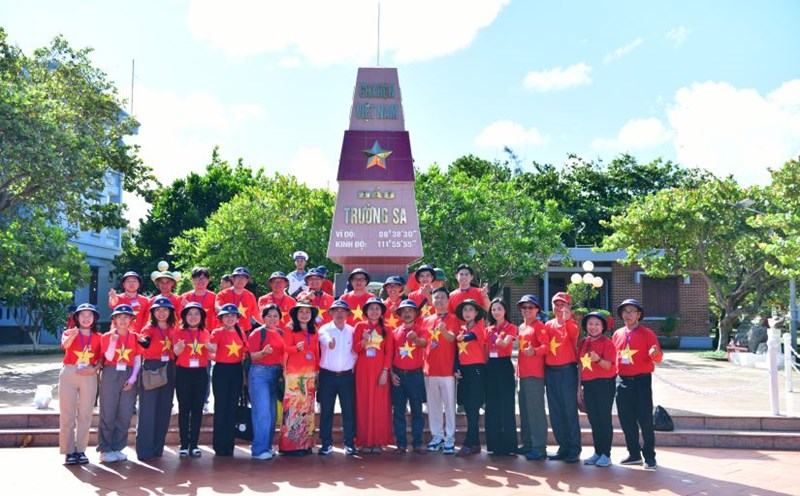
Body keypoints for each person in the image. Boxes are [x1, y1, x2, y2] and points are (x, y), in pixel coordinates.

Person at [613, 299, 663, 469]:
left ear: (638, 314)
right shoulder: (617, 334)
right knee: (626, 420)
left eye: (631, 311)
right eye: (625, 311)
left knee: (645, 420)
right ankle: (633, 453)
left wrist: (654, 353)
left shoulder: (647, 333)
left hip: (641, 381)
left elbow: (658, 357)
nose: (628, 314)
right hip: (622, 381)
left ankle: (649, 455)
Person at [98, 304, 143, 463]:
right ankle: (105, 449)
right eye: (119, 317)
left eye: (126, 317)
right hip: (111, 372)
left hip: (129, 373)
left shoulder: (135, 337)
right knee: (108, 411)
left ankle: (118, 447)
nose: (123, 320)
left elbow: (138, 360)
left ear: (131, 319)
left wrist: (132, 379)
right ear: (114, 319)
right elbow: (109, 357)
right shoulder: (107, 336)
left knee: (125, 413)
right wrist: (112, 342)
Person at [59, 303, 102, 465]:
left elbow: (101, 359)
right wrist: (72, 335)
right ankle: (69, 451)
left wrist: (94, 370)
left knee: (85, 414)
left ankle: (81, 450)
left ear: (94, 318)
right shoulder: (69, 332)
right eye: (82, 315)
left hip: (89, 375)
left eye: (89, 315)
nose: (86, 318)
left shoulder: (98, 337)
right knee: (67, 413)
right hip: (70, 372)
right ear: (76, 318)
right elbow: (65, 345)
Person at [136, 296, 178, 460]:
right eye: (158, 310)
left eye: (165, 310)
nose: (161, 313)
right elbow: (144, 341)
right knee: (148, 409)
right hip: (152, 368)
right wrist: (143, 341)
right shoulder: (149, 328)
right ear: (153, 312)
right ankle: (145, 450)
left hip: (169, 368)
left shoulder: (174, 328)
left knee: (164, 409)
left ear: (170, 312)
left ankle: (157, 448)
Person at [352, 297, 394, 454]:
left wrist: (385, 372)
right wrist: (363, 341)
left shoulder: (387, 329)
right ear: (366, 311)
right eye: (371, 308)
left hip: (379, 372)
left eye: (377, 308)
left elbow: (389, 352)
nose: (374, 311)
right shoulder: (359, 326)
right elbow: (355, 350)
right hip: (363, 371)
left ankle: (378, 440)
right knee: (363, 404)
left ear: (382, 311)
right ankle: (364, 441)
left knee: (380, 406)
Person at [544, 292, 582, 463]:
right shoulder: (548, 324)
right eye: (556, 304)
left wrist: (566, 321)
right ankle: (563, 446)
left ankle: (574, 448)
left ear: (569, 307)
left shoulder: (572, 324)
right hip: (550, 371)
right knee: (555, 411)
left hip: (567, 372)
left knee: (569, 411)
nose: (559, 308)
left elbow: (573, 337)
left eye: (563, 304)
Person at [206, 303, 249, 456]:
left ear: (237, 318)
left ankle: (229, 444)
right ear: (221, 318)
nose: (230, 318)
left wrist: (244, 376)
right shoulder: (217, 332)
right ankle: (219, 445)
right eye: (226, 316)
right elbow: (211, 351)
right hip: (221, 370)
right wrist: (211, 351)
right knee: (221, 408)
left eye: (233, 316)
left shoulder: (241, 333)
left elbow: (244, 354)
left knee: (232, 407)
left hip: (236, 371)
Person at [279, 302, 320, 456]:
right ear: (296, 314)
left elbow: (316, 352)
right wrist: (297, 348)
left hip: (309, 374)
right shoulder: (290, 328)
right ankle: (290, 445)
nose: (304, 315)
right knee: (294, 408)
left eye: (307, 312)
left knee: (308, 408)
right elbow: (285, 348)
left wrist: (317, 372)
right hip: (294, 374)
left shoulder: (314, 330)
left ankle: (305, 444)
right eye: (301, 312)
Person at [317, 299, 357, 456]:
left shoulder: (353, 331)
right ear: (331, 313)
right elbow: (324, 339)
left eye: (343, 310)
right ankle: (326, 443)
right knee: (326, 410)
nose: (339, 313)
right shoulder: (324, 329)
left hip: (347, 377)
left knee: (349, 410)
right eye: (336, 310)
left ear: (348, 313)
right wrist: (329, 343)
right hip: (327, 376)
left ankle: (349, 442)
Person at [171, 302, 210, 458]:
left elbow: (211, 354)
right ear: (184, 317)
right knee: (184, 409)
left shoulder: (206, 333)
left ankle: (194, 444)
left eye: (196, 314)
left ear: (201, 317)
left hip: (200, 373)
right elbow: (175, 351)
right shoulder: (178, 332)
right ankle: (184, 444)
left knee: (197, 410)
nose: (193, 317)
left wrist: (212, 350)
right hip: (183, 373)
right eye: (190, 314)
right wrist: (178, 349)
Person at [578, 311, 617, 468]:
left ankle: (606, 454)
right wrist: (578, 387)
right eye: (590, 324)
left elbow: (609, 366)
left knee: (604, 419)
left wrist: (598, 359)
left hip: (604, 384)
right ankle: (597, 451)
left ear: (602, 327)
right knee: (593, 419)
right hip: (588, 385)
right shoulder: (583, 342)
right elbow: (580, 365)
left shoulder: (608, 343)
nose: (593, 327)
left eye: (597, 324)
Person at [247, 304, 286, 460]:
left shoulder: (281, 333)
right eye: (269, 316)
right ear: (263, 318)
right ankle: (258, 450)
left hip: (276, 374)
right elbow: (252, 357)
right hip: (260, 374)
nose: (272, 319)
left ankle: (267, 447)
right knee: (262, 412)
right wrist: (263, 353)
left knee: (272, 412)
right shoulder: (257, 333)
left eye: (275, 316)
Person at [390, 300, 429, 454]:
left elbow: (424, 343)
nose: (407, 314)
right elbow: (390, 355)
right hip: (398, 376)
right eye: (404, 311)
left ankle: (417, 443)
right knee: (398, 411)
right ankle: (401, 444)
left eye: (410, 311)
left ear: (415, 314)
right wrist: (392, 373)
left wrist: (415, 339)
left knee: (417, 411)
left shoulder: (421, 330)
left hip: (415, 376)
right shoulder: (394, 333)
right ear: (399, 315)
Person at [422, 287, 458, 454]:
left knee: (449, 406)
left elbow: (453, 338)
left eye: (443, 297)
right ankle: (437, 436)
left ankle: (450, 437)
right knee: (433, 406)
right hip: (430, 369)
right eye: (436, 298)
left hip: (447, 369)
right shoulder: (426, 320)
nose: (439, 300)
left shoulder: (454, 319)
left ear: (448, 300)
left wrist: (444, 331)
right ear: (432, 300)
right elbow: (424, 343)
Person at [515, 295, 549, 461]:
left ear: (537, 310)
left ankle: (539, 447)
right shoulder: (521, 326)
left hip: (535, 374)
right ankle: (528, 443)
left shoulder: (539, 326)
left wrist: (535, 351)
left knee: (535, 412)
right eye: (524, 307)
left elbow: (547, 346)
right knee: (525, 411)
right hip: (522, 374)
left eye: (531, 307)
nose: (527, 310)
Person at [484, 297, 518, 456]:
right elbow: (484, 350)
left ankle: (509, 445)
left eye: (499, 308)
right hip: (491, 366)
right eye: (493, 309)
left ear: (505, 310)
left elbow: (505, 345)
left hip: (504, 365)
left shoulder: (511, 327)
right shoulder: (488, 328)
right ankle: (494, 444)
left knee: (506, 404)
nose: (496, 312)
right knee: (492, 405)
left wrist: (497, 339)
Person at [454, 299, 487, 457]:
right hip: (463, 371)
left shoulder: (479, 328)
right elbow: (457, 352)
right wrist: (456, 368)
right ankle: (475, 444)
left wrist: (461, 338)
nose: (467, 312)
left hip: (476, 370)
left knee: (473, 407)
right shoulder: (461, 328)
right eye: (465, 309)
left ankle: (469, 442)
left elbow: (470, 338)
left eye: (470, 310)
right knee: (467, 407)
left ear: (476, 313)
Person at [215, 267, 259, 332]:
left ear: (247, 281)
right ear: (233, 279)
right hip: (226, 331)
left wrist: (267, 326)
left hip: (244, 332)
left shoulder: (250, 296)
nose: (241, 280)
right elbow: (217, 307)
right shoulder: (222, 294)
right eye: (238, 277)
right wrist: (229, 313)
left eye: (243, 278)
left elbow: (256, 315)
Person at [182, 266, 218, 334]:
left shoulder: (214, 297)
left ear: (208, 280)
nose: (200, 280)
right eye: (197, 278)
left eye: (203, 278)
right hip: (190, 332)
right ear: (192, 280)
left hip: (209, 332)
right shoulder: (185, 297)